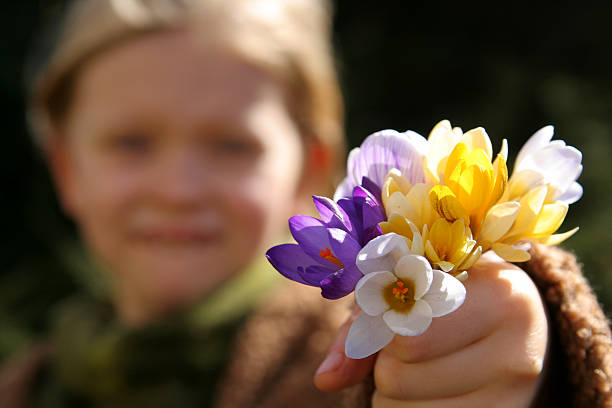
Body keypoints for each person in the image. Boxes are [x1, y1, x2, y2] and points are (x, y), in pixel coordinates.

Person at [1, 0, 611, 407]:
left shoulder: (376, 363)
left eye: (232, 144)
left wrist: (537, 364)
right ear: (66, 169)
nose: (178, 188)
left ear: (313, 166)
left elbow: (482, 355)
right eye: (130, 143)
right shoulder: (28, 386)